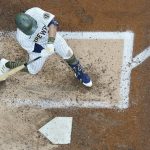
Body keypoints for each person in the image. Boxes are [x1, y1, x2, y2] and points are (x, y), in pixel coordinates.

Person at [0, 7, 92, 87]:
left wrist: (50, 43)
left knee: (67, 52)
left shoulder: (35, 12)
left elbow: (53, 23)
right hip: (38, 47)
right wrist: (44, 50)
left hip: (50, 35)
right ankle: (6, 64)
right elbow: (33, 48)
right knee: (32, 70)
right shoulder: (21, 37)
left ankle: (79, 72)